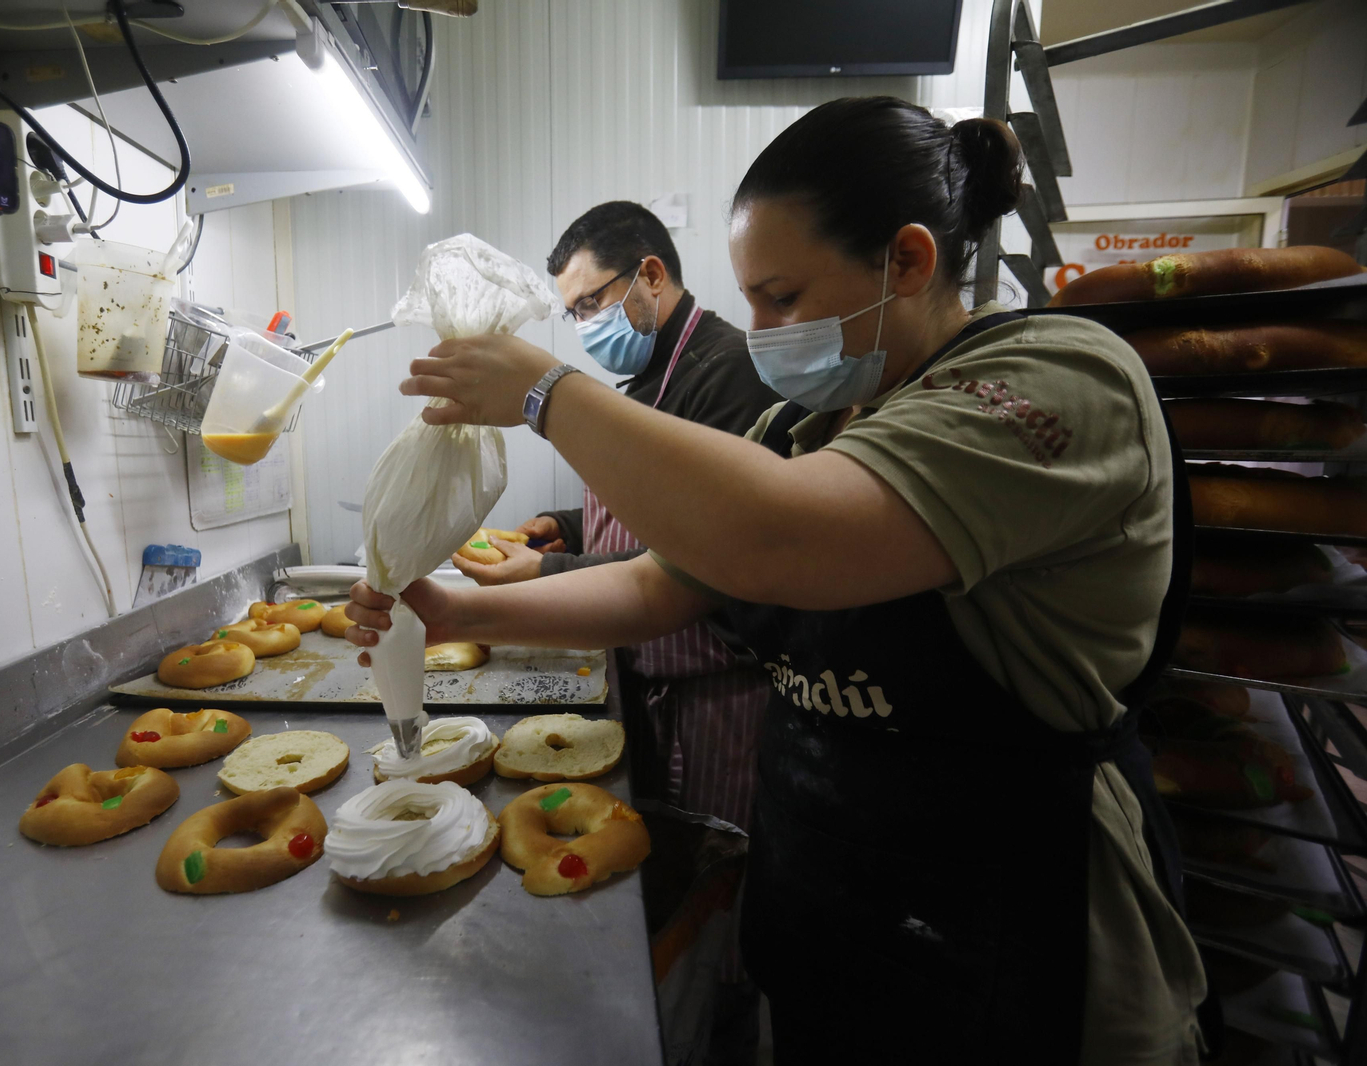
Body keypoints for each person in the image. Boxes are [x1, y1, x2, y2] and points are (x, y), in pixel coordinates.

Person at [348, 96, 1206, 1065]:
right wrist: (459, 607)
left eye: (783, 297)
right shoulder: (805, 428)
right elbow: (650, 588)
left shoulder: (1057, 379)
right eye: (750, 298)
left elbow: (778, 538)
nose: (757, 331)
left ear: (909, 261)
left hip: (1015, 931)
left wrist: (547, 393)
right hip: (837, 916)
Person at [456, 201, 780, 836]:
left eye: (589, 304)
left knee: (710, 863)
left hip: (712, 694)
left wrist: (548, 570)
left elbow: (697, 550)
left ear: (651, 275)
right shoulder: (649, 379)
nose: (582, 325)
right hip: (651, 677)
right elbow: (652, 504)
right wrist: (568, 527)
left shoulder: (730, 373)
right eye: (572, 311)